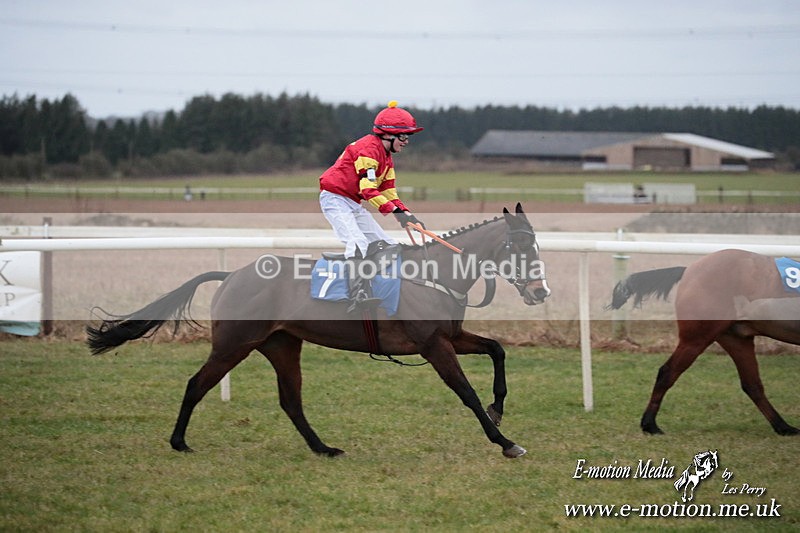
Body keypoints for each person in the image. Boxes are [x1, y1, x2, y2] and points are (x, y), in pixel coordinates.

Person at [319, 100, 425, 310]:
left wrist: (404, 213)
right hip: (335, 198)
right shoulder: (368, 150)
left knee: (386, 244)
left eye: (408, 137)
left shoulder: (386, 157)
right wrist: (394, 210)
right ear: (389, 134)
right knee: (358, 244)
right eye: (404, 136)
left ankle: (380, 288)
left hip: (352, 202)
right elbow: (368, 190)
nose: (406, 141)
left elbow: (388, 191)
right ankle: (357, 295)